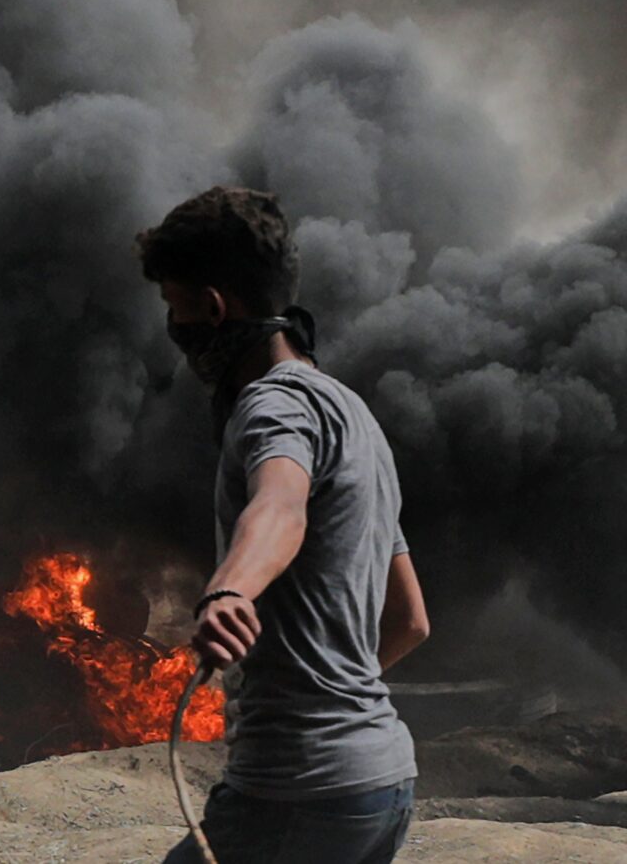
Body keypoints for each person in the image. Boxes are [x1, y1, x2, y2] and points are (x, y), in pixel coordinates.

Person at [139, 187, 432, 864]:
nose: (174, 326)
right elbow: (411, 619)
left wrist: (230, 590)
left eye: (173, 306)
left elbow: (279, 505)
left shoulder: (274, 408)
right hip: (380, 782)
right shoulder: (352, 413)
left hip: (293, 798)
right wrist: (331, 697)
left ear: (213, 306)